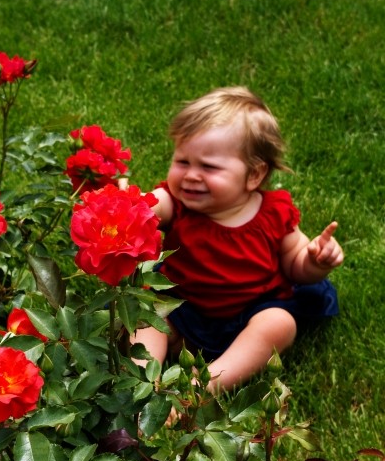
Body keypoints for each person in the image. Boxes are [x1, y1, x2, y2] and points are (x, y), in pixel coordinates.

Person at [129, 86, 344, 393]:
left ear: (254, 175)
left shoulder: (272, 214)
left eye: (209, 167)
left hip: (251, 312)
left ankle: (210, 383)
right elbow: (153, 203)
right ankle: (142, 380)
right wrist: (131, 205)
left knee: (279, 323)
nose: (190, 175)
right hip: (183, 308)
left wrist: (314, 261)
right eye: (182, 162)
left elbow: (296, 267)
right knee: (144, 312)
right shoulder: (175, 204)